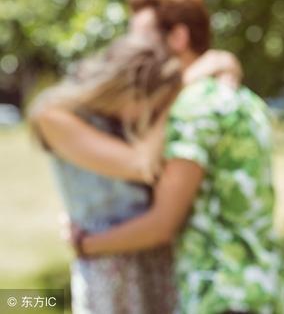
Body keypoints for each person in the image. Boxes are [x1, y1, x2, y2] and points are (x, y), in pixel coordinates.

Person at [37, 0, 284, 314]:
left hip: (221, 293)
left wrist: (85, 244)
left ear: (177, 37)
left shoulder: (191, 109)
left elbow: (162, 221)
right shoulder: (244, 99)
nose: (135, 48)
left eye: (142, 37)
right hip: (267, 286)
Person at [30, 34, 184, 313]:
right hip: (109, 264)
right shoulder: (53, 115)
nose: (149, 115)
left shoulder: (118, 122)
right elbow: (141, 166)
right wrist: (181, 91)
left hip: (153, 259)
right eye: (153, 104)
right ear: (128, 89)